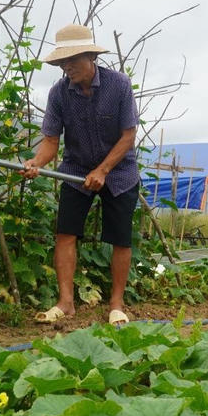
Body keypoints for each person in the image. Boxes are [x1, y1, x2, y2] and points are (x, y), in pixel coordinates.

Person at [20, 23, 139, 325]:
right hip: (75, 170)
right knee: (65, 233)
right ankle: (66, 303)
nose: (67, 67)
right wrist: (37, 162)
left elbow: (128, 136)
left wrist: (103, 169)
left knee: (120, 238)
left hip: (120, 171)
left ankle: (116, 304)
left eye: (72, 60)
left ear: (90, 56)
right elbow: (50, 141)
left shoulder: (119, 85)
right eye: (62, 62)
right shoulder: (58, 94)